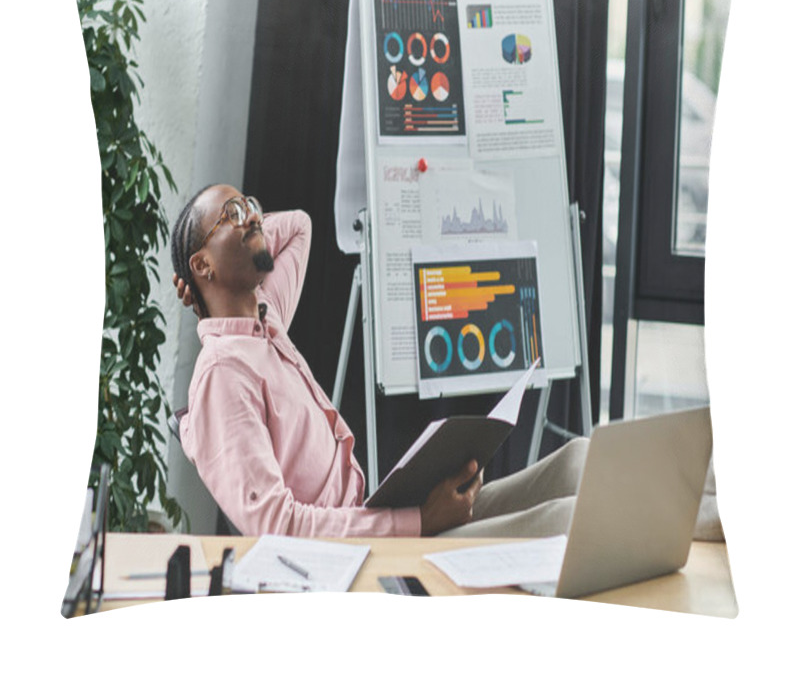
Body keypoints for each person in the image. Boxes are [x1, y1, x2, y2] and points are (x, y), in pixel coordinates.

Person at [171, 183, 588, 538]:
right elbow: (274, 525)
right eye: (232, 212)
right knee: (564, 520)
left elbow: (298, 225)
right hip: (359, 557)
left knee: (577, 459)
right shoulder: (223, 375)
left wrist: (213, 274)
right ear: (202, 263)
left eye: (251, 206)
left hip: (375, 518)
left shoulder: (267, 318)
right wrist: (416, 521)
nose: (252, 217)